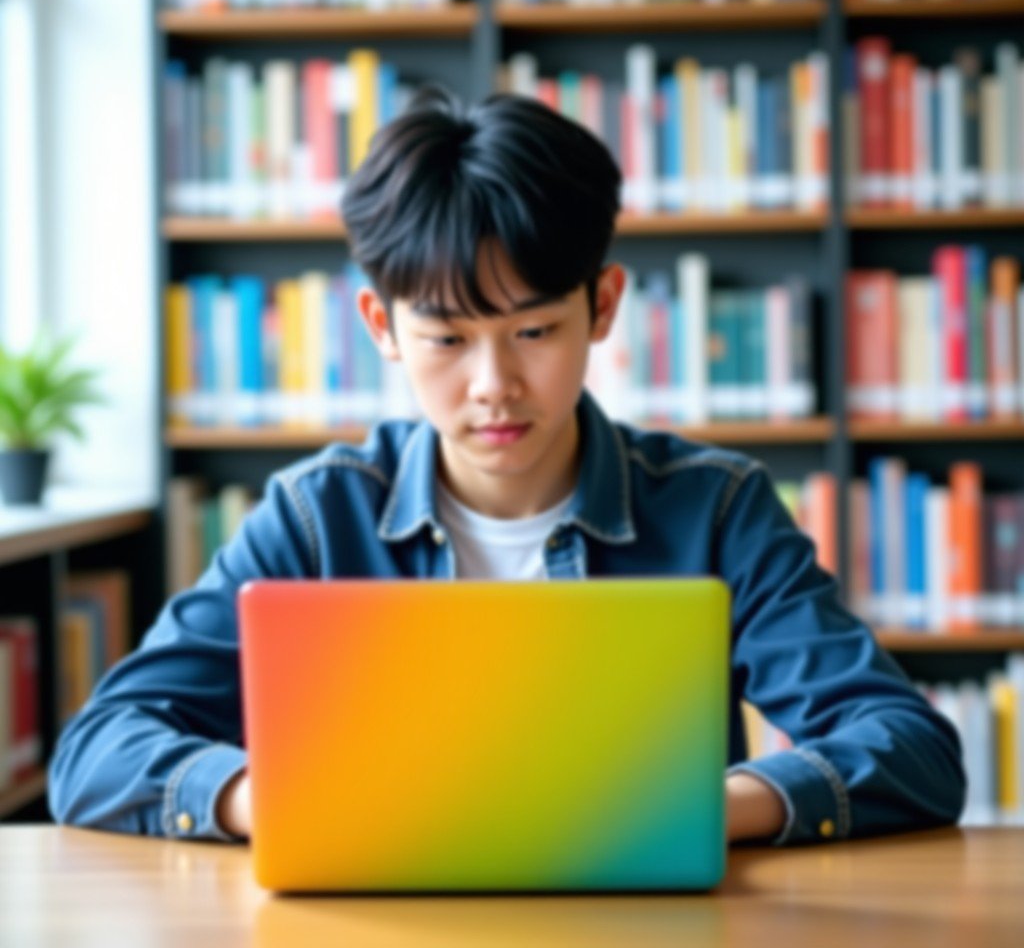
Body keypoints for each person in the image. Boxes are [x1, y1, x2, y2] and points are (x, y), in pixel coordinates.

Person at [49, 87, 965, 845]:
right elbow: (95, 751)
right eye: (446, 338)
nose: (495, 385)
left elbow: (911, 749)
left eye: (534, 332)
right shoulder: (317, 515)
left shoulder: (714, 510)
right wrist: (280, 803)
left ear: (602, 305)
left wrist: (697, 813)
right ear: (381, 326)